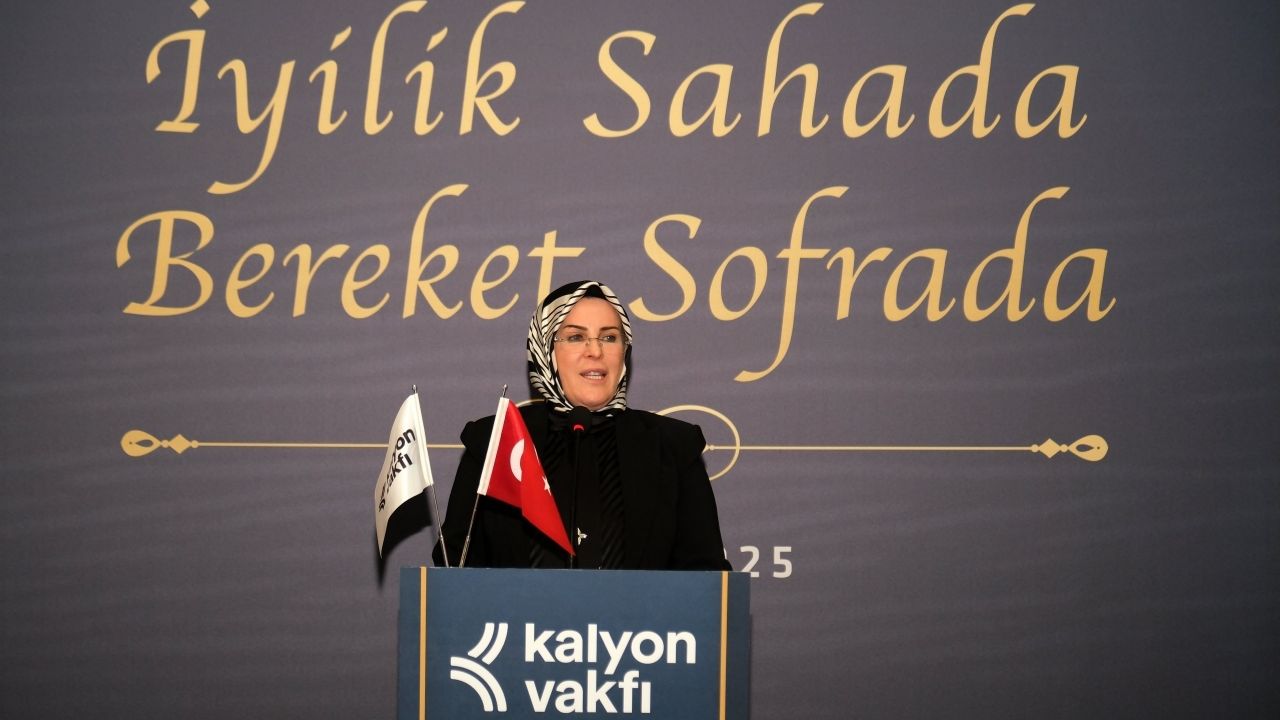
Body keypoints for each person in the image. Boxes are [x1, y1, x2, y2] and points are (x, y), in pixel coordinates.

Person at [436, 280, 731, 570]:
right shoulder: (496, 441)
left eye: (609, 337)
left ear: (625, 351)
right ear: (545, 350)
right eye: (576, 337)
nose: (595, 351)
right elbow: (456, 573)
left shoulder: (673, 447)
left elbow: (707, 582)